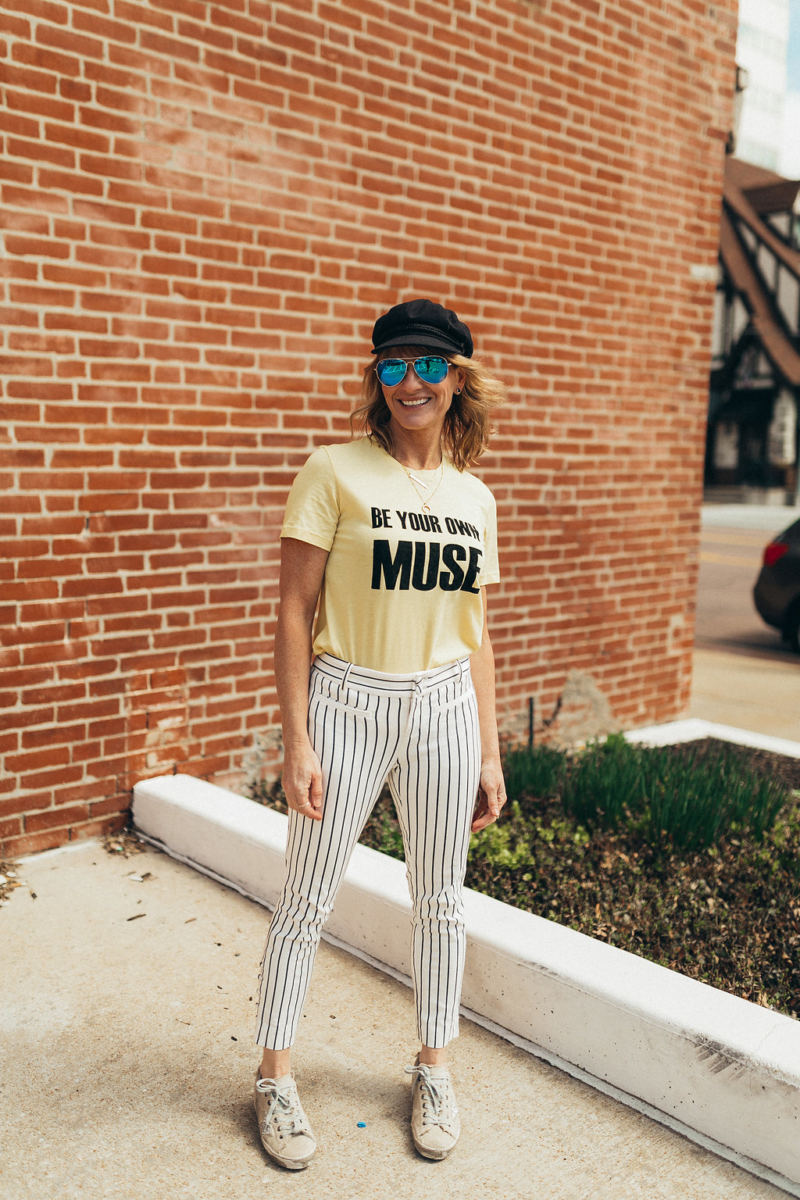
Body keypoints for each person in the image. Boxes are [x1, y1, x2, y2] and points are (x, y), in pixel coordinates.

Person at [253, 298, 508, 1169]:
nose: (410, 381)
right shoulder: (334, 472)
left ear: (458, 379)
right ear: (377, 377)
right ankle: (275, 1077)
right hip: (348, 701)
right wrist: (298, 738)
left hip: (444, 708)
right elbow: (293, 611)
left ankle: (434, 1067)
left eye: (429, 365)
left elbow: (473, 631)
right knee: (307, 897)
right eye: (393, 364)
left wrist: (490, 747)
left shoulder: (475, 498)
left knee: (441, 898)